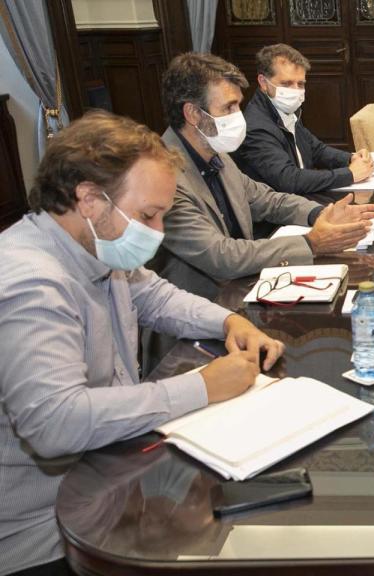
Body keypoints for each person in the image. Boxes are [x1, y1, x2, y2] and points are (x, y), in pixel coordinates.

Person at [0, 111, 283, 576]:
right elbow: (53, 424)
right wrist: (203, 387)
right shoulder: (31, 283)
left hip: (107, 483)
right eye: (147, 215)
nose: (157, 231)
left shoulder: (94, 246)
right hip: (49, 534)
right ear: (89, 199)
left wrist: (230, 320)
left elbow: (154, 295)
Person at [154, 52, 374, 302]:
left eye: (238, 105)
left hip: (245, 287)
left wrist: (321, 214)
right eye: (228, 107)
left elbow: (266, 199)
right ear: (193, 114)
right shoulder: (162, 177)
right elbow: (221, 256)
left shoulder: (214, 152)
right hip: (200, 309)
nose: (238, 116)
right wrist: (311, 243)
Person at [232, 43, 374, 197]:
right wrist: (349, 174)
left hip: (303, 198)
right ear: (263, 82)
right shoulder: (256, 128)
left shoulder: (286, 111)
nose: (295, 91)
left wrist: (350, 158)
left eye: (300, 84)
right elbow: (288, 179)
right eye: (286, 83)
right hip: (281, 212)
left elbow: (315, 149)